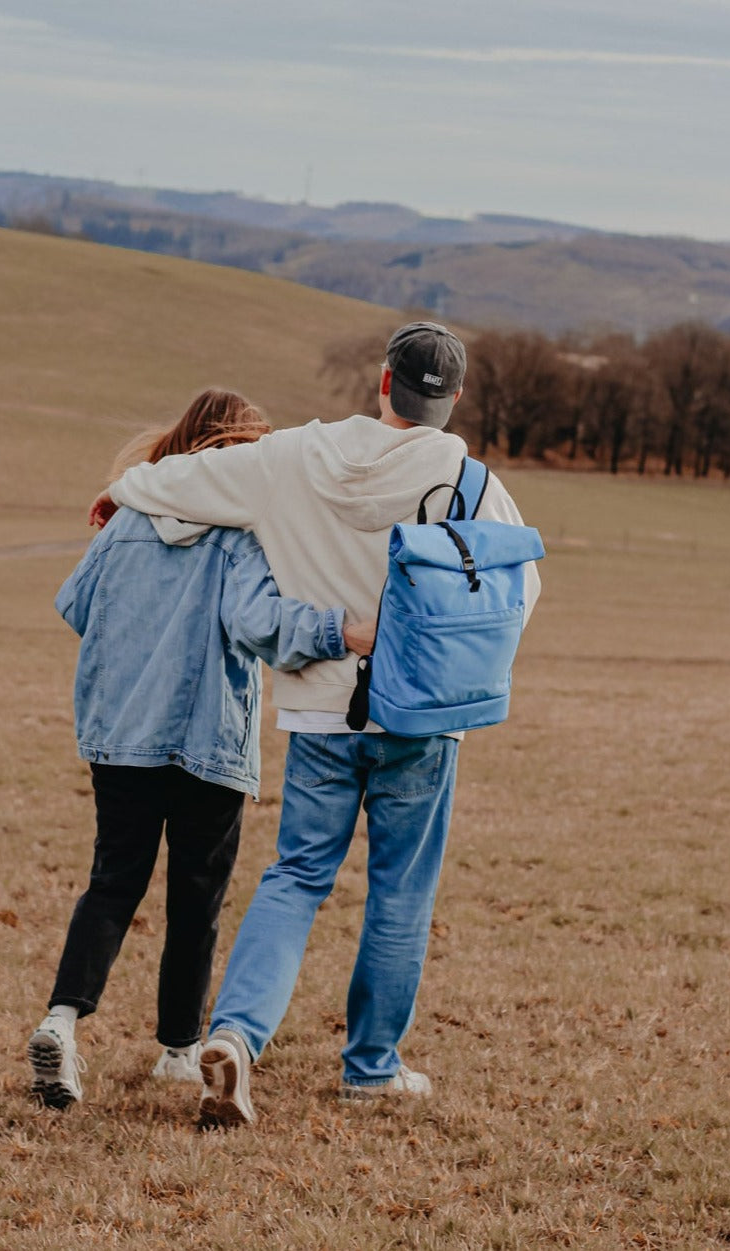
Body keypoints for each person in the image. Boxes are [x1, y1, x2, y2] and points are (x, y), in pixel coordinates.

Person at [89, 323, 541, 1125]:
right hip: (422, 721)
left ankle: (234, 1035)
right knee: (400, 893)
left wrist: (122, 493)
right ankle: (371, 1067)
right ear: (454, 398)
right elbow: (519, 590)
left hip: (320, 713)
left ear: (382, 381)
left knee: (295, 877)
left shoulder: (292, 456)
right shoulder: (472, 483)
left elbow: (177, 479)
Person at [29, 389, 361, 1111]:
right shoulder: (243, 536)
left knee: (112, 883)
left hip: (122, 735)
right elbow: (259, 625)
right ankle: (179, 1049)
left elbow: (76, 605)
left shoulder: (124, 523)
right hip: (211, 740)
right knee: (196, 900)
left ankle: (61, 1020)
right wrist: (340, 630)